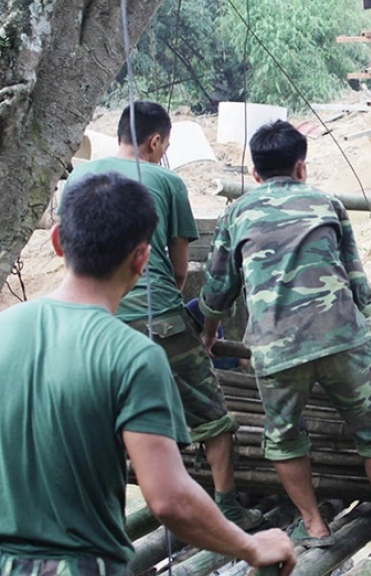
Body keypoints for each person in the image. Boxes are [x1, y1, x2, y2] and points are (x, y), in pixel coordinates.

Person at [0, 172, 296, 575]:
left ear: (56, 242)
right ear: (141, 258)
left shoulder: (5, 328)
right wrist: (250, 545)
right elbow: (169, 499)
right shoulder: (133, 355)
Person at [199, 120, 371, 550]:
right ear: (301, 168)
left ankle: (313, 525)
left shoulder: (237, 212)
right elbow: (358, 281)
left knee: (284, 437)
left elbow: (217, 289)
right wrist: (364, 335)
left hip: (274, 348)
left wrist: (209, 335)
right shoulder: (328, 203)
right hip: (341, 337)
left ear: (255, 174)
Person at [64, 101, 261, 529]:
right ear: (155, 141)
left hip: (87, 323)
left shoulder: (78, 176)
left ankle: (105, 518)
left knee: (102, 422)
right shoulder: (167, 182)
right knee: (213, 416)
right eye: (164, 146)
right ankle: (227, 507)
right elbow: (177, 268)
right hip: (157, 320)